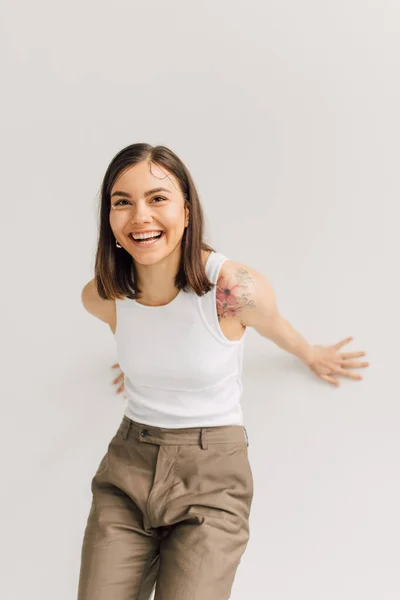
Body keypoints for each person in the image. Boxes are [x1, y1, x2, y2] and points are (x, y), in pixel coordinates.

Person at [77, 143, 369, 600]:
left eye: (157, 198)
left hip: (211, 472)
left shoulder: (232, 288)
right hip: (128, 467)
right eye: (122, 202)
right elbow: (138, 332)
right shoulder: (104, 294)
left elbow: (274, 326)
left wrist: (309, 353)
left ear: (187, 211)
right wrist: (142, 367)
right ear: (108, 219)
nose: (140, 217)